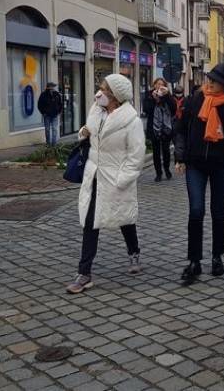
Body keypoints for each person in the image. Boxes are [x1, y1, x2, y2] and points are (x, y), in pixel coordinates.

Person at [66, 74, 146, 294]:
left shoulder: (131, 121)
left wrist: (123, 179)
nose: (98, 94)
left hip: (116, 176)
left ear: (115, 96)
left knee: (124, 219)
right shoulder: (96, 112)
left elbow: (136, 155)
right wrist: (83, 132)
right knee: (91, 222)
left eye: (103, 90)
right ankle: (84, 273)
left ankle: (134, 252)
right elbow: (91, 132)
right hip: (94, 176)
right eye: (99, 88)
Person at [174, 64, 224, 284]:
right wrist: (180, 156)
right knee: (196, 211)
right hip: (195, 163)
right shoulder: (195, 99)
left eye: (215, 79)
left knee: (218, 212)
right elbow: (181, 128)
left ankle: (217, 256)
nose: (210, 82)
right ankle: (194, 260)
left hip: (221, 165)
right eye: (209, 78)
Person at [143, 78, 177, 181]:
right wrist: (153, 99)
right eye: (158, 84)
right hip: (154, 127)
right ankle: (158, 173)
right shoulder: (149, 95)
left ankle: (167, 169)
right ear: (154, 85)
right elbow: (146, 109)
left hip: (166, 127)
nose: (159, 86)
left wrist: (166, 96)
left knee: (166, 151)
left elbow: (173, 109)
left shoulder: (167, 95)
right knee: (156, 152)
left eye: (162, 85)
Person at [37, 82, 63, 147]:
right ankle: (48, 143)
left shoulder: (57, 94)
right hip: (47, 115)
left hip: (55, 114)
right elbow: (39, 105)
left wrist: (59, 111)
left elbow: (60, 104)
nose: (53, 88)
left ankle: (54, 144)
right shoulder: (43, 95)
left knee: (54, 129)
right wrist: (43, 113)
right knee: (47, 129)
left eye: (53, 87)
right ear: (48, 87)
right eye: (52, 86)